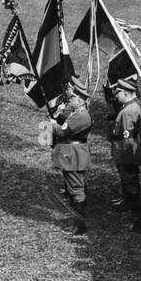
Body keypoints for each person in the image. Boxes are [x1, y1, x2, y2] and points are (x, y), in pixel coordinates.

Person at [50, 83, 92, 234]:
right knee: (76, 186)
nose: (70, 100)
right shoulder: (78, 113)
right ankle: (79, 222)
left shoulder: (80, 116)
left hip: (73, 154)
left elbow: (62, 132)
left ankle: (80, 226)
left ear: (80, 100)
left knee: (77, 189)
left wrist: (53, 125)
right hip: (73, 152)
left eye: (73, 98)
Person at [107, 78, 141, 230]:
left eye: (118, 93)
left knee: (130, 183)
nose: (116, 96)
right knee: (129, 181)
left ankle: (136, 218)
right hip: (126, 149)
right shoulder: (130, 105)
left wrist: (125, 157)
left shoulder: (129, 110)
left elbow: (127, 138)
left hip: (127, 152)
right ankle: (130, 207)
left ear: (125, 93)